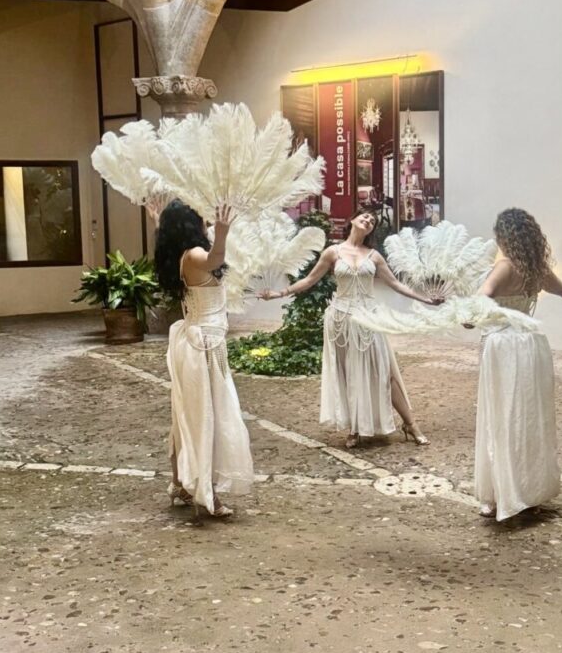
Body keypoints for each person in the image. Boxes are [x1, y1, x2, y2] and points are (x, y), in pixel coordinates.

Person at [261, 207, 439, 449]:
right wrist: (279, 293)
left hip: (369, 320)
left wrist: (425, 299)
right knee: (349, 374)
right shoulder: (332, 252)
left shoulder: (374, 256)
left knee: (385, 371)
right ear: (353, 219)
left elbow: (396, 284)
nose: (368, 220)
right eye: (364, 216)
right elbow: (310, 280)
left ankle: (411, 423)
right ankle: (355, 428)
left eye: (372, 220)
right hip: (340, 320)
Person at [475, 207, 562, 521]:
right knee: (528, 418)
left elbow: (484, 295)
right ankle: (526, 489)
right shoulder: (535, 268)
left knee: (501, 418)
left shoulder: (504, 266)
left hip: (503, 346)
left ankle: (498, 495)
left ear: (503, 237)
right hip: (531, 344)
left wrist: (468, 316)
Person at [154, 199, 254, 519]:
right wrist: (222, 232)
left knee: (187, 417)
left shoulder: (181, 253)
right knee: (207, 418)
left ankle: (181, 485)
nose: (204, 221)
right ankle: (204, 492)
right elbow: (215, 258)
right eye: (198, 217)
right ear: (188, 225)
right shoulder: (196, 256)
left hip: (199, 342)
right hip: (204, 346)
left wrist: (157, 215)